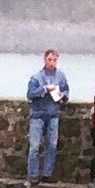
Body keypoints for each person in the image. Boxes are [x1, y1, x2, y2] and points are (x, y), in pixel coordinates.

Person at [25, 49, 69, 181]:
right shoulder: (36, 77)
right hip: (38, 115)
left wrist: (63, 96)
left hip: (53, 114)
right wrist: (44, 89)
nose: (52, 62)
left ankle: (47, 174)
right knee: (35, 147)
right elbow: (30, 95)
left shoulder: (61, 76)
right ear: (45, 60)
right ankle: (32, 174)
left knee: (52, 145)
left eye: (54, 60)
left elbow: (66, 91)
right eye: (49, 60)